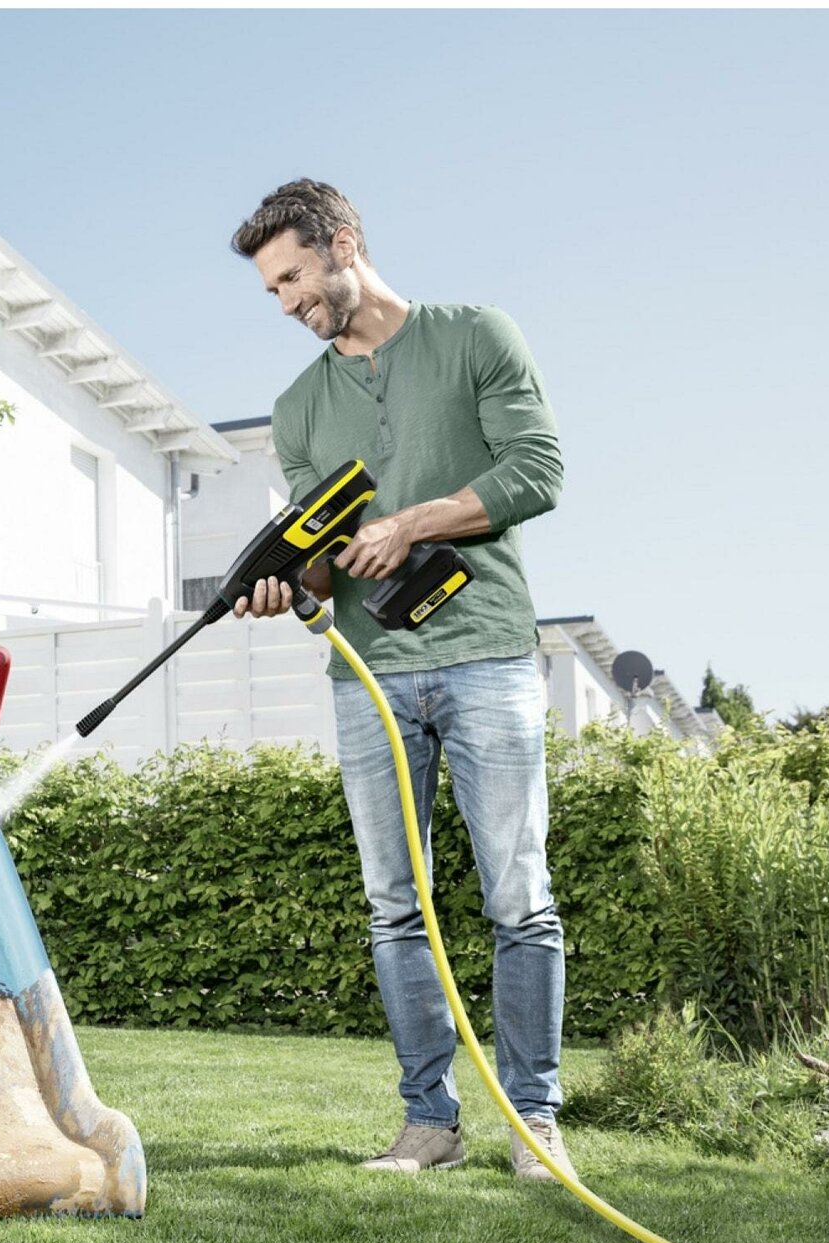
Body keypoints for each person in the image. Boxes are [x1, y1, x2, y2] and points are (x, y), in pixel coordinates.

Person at [229, 179, 571, 1181]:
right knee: (393, 905)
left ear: (342, 243)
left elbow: (537, 468)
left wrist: (408, 522)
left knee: (519, 899)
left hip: (488, 657)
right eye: (272, 290)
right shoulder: (298, 408)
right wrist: (284, 582)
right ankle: (429, 1123)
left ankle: (531, 1120)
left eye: (293, 274)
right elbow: (320, 555)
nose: (288, 300)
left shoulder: (473, 336)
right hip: (370, 675)